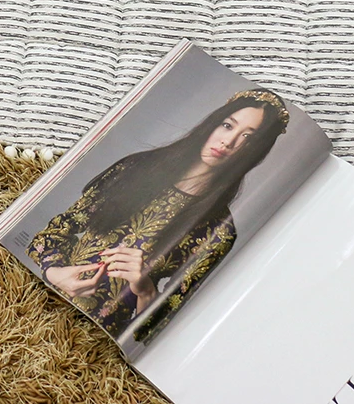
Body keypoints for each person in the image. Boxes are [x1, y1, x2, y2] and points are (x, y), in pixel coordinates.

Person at [26, 89, 290, 344]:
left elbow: (157, 330)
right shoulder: (135, 169)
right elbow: (50, 235)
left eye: (248, 138)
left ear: (257, 152)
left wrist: (145, 289)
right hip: (37, 298)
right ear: (213, 124)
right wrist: (54, 272)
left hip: (92, 342)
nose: (228, 142)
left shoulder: (218, 231)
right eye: (227, 126)